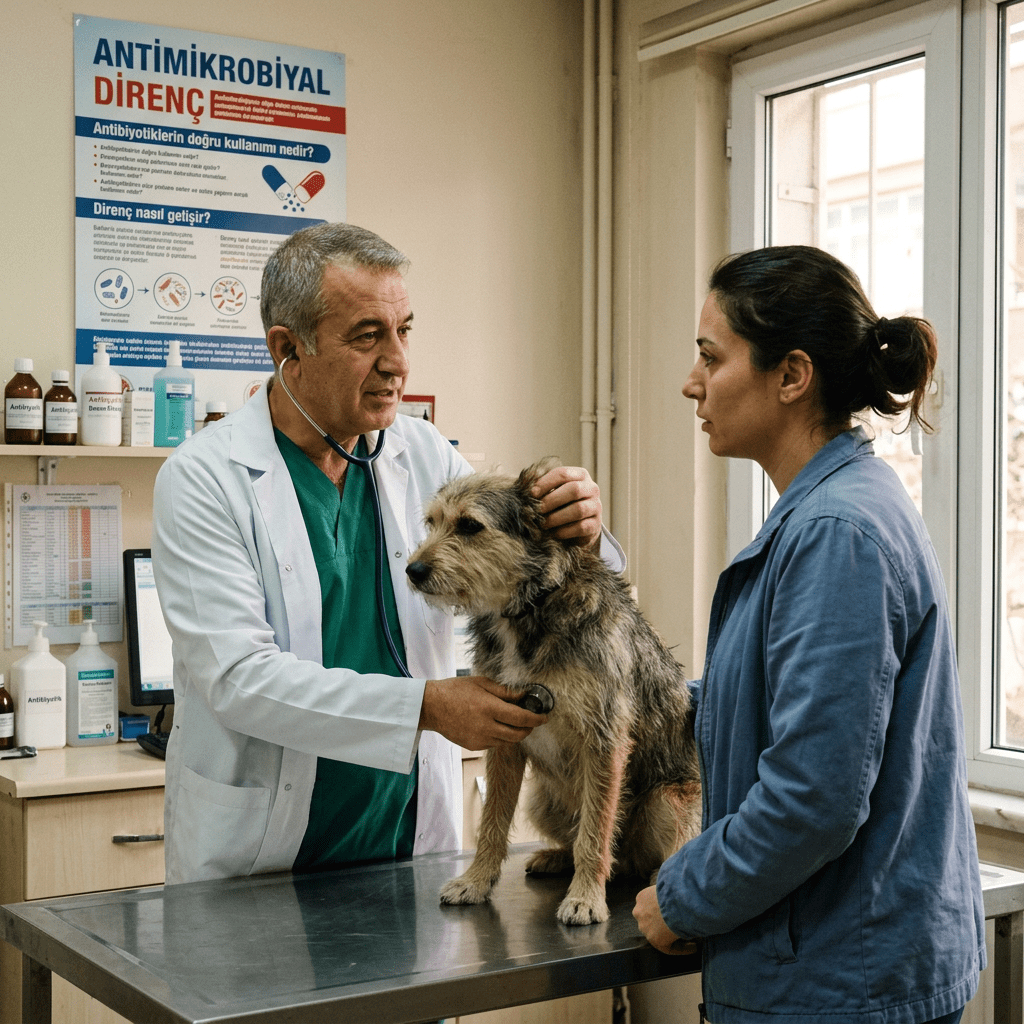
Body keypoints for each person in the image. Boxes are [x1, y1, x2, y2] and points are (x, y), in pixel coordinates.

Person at [152, 222, 620, 885]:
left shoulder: (423, 453)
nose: (398, 361)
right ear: (289, 349)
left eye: (404, 331)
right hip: (262, 858)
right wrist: (426, 706)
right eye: (367, 336)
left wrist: (583, 532)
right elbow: (238, 680)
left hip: (409, 843)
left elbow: (531, 584)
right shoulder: (205, 479)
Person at [633, 245, 985, 1024]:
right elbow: (783, 706)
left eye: (709, 357)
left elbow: (814, 799)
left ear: (791, 376)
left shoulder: (837, 533)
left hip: (839, 986)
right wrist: (629, 703)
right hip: (845, 971)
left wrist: (683, 897)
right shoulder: (834, 510)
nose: (691, 383)